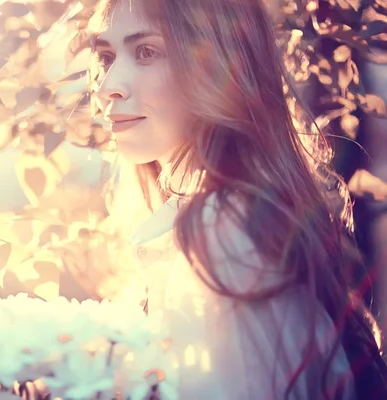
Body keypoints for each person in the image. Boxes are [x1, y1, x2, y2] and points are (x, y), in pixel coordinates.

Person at [88, 0, 387, 398]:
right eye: (106, 56)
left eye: (147, 51)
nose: (109, 85)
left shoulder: (221, 229)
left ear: (218, 65)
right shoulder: (233, 217)